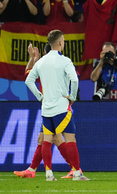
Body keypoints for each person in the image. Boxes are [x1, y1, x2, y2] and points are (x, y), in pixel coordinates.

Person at [24, 30, 89, 181]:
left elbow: (28, 81)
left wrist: (40, 96)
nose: (64, 43)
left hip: (46, 108)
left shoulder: (41, 62)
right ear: (60, 43)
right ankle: (77, 174)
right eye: (64, 41)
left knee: (47, 140)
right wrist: (72, 96)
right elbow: (75, 80)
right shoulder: (65, 61)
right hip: (61, 107)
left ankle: (48, 175)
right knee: (70, 139)